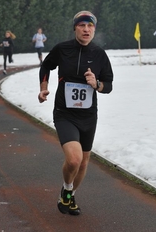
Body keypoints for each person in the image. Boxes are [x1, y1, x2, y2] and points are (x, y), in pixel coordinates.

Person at [37, 11, 113, 216]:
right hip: (65, 113)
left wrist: (96, 83)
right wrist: (43, 87)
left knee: (84, 162)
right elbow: (46, 65)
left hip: (88, 116)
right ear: (75, 28)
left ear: (94, 29)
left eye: (90, 26)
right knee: (74, 160)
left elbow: (109, 85)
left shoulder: (99, 55)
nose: (86, 30)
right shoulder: (63, 49)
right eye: (82, 26)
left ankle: (68, 194)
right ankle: (67, 189)